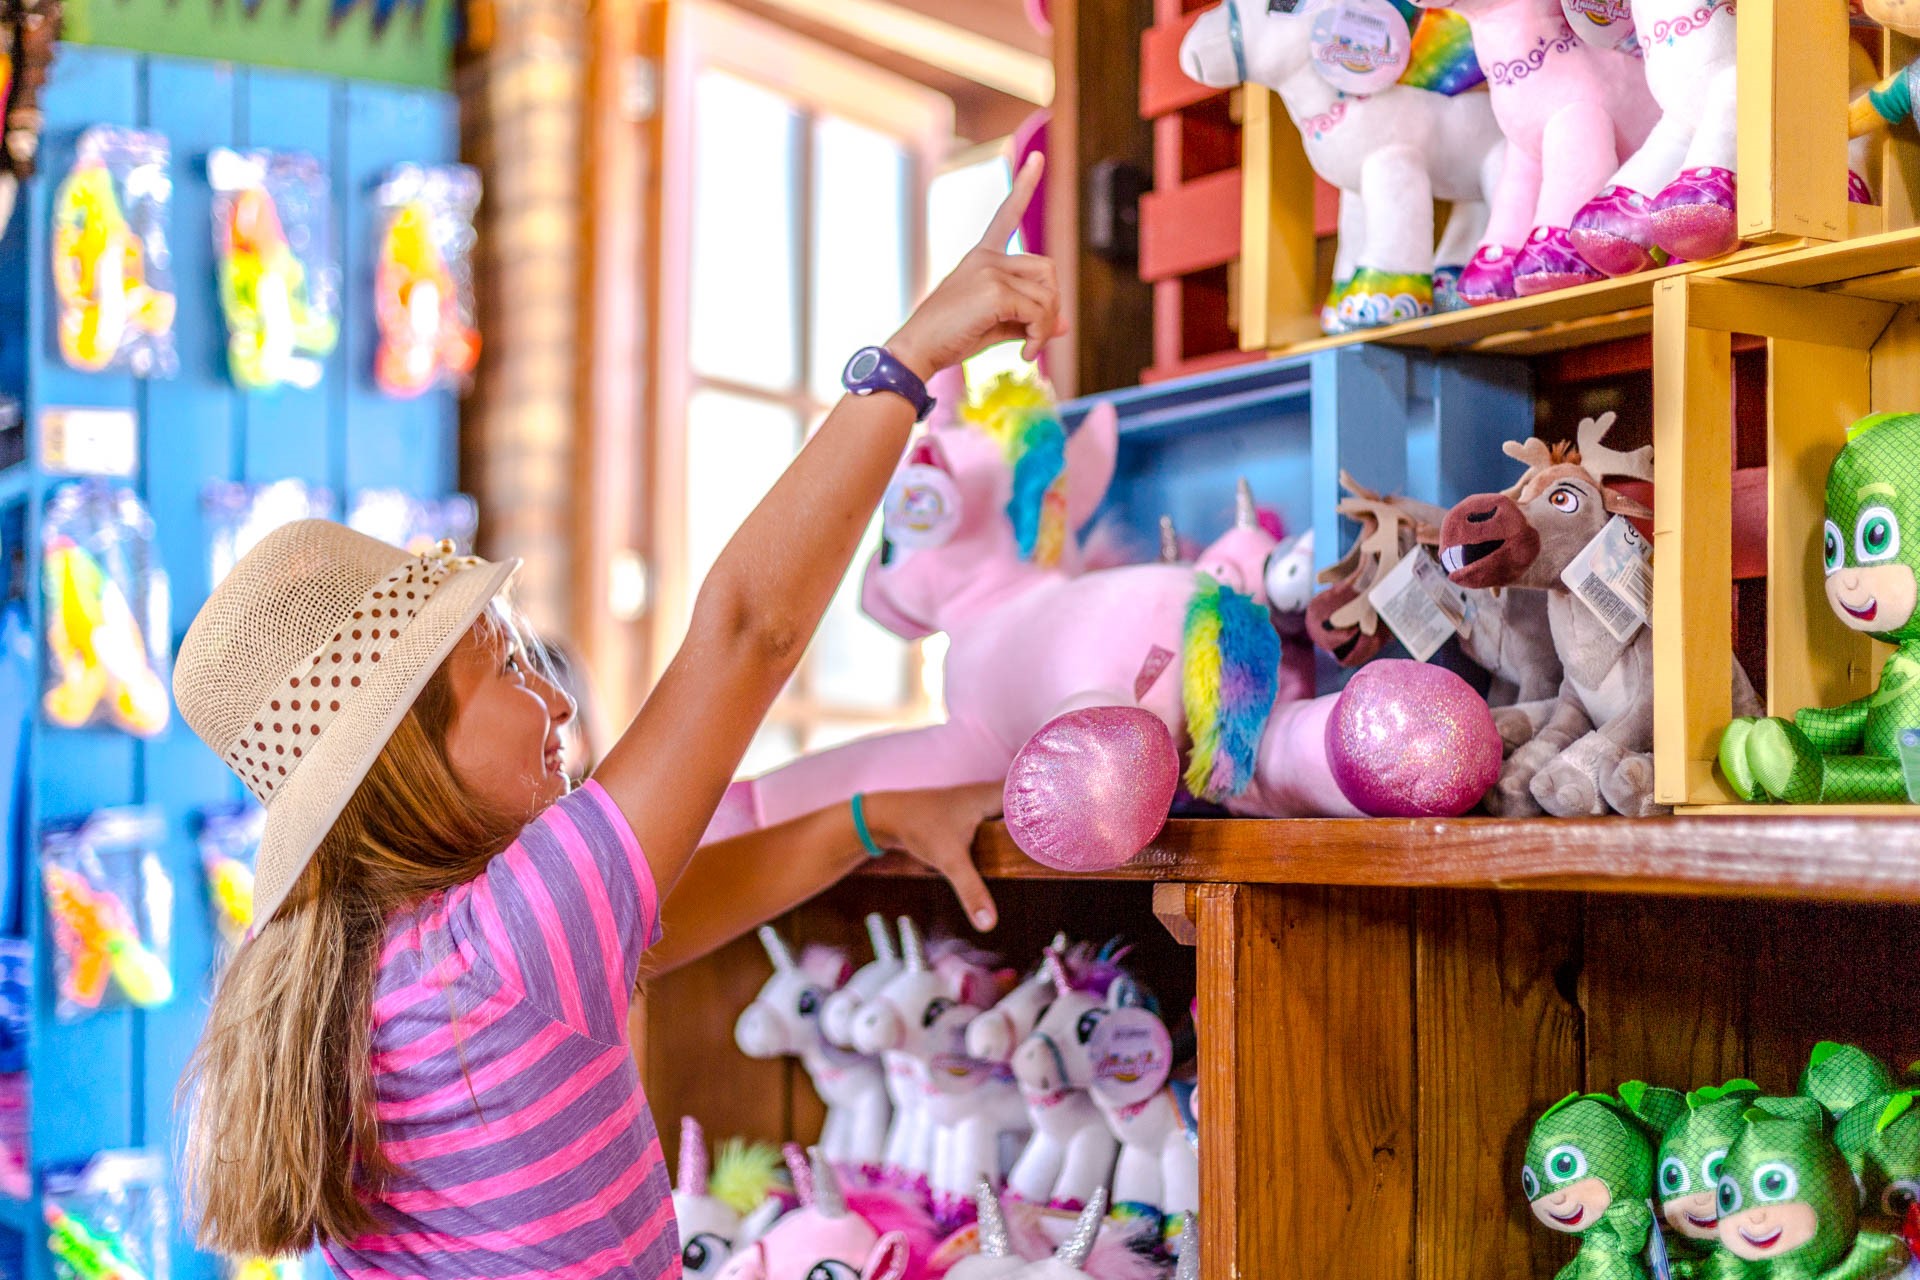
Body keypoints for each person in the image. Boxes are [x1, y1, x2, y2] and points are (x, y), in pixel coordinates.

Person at [175, 156, 1060, 1278]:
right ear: (404, 764)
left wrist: (866, 816)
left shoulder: (366, 967)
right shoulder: (505, 943)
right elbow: (750, 629)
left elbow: (645, 929)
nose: (552, 696)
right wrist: (909, 359)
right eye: (504, 667)